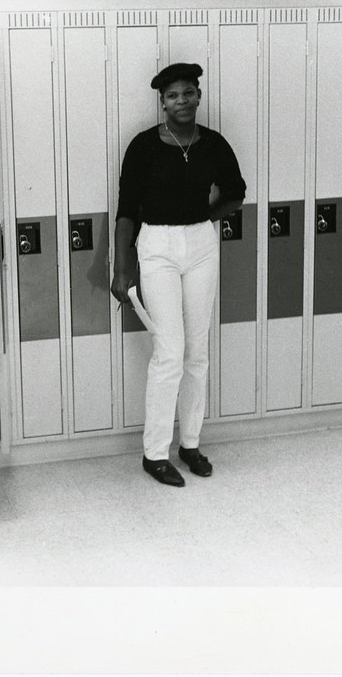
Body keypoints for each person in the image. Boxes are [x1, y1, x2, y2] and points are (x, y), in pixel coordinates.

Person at [110, 63, 246, 487]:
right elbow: (127, 211)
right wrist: (120, 268)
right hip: (158, 248)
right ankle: (155, 454)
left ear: (199, 96)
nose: (181, 101)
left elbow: (236, 191)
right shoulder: (144, 146)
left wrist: (206, 219)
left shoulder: (214, 144)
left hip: (201, 245)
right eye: (173, 96)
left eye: (188, 93)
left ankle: (190, 443)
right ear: (162, 102)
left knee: (197, 351)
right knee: (169, 351)